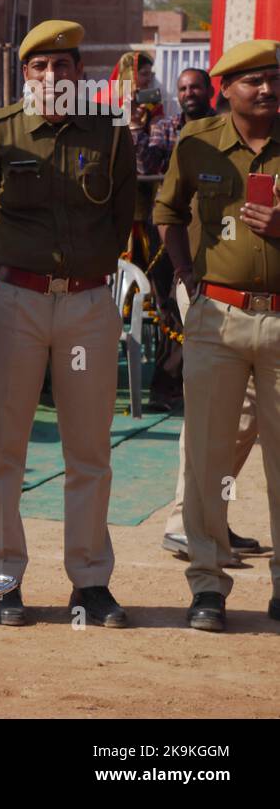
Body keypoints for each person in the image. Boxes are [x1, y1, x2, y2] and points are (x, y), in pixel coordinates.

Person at [0, 18, 136, 629]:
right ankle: (2, 577)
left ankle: (90, 582)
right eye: (39, 66)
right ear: (25, 75)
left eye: (62, 65)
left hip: (88, 305)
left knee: (89, 451)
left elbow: (121, 219)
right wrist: (20, 268)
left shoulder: (112, 135)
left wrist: (84, 273)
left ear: (79, 74)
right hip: (16, 302)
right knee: (2, 447)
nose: (51, 75)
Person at [153, 39, 280, 632]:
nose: (267, 89)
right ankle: (207, 584)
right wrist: (186, 278)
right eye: (252, 80)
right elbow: (167, 213)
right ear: (225, 88)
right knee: (208, 456)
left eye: (274, 78)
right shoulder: (197, 140)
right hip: (217, 317)